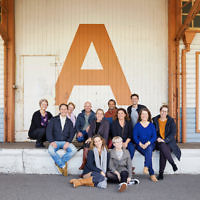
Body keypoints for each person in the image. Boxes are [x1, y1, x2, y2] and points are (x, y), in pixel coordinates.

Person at [47, 103, 77, 176]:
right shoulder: (53, 119)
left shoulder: (69, 121)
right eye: (62, 109)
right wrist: (51, 141)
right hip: (55, 142)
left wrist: (68, 142)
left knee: (74, 150)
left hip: (65, 142)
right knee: (50, 150)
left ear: (67, 110)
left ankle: (59, 162)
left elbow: (72, 133)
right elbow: (48, 131)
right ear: (59, 110)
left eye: (65, 109)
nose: (63, 110)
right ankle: (63, 165)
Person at [152, 105, 181, 180]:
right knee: (162, 145)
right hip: (158, 142)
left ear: (167, 113)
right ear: (160, 111)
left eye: (165, 111)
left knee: (163, 150)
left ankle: (161, 174)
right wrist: (157, 138)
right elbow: (152, 132)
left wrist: (165, 140)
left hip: (169, 142)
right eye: (162, 111)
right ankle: (172, 163)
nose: (163, 113)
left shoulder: (171, 121)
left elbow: (173, 133)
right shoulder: (155, 120)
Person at [133, 108, 157, 182]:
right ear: (140, 115)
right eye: (142, 114)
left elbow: (154, 137)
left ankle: (146, 166)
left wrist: (147, 143)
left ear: (148, 115)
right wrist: (140, 144)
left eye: (145, 114)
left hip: (150, 144)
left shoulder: (151, 125)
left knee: (149, 149)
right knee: (148, 154)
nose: (144, 115)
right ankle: (151, 173)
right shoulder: (137, 125)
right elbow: (135, 137)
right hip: (140, 145)